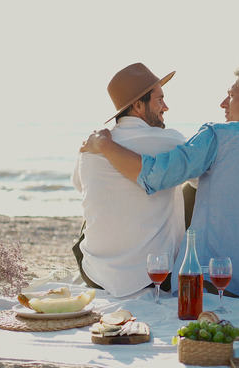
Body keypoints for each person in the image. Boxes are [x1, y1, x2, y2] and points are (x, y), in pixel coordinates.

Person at [81, 63, 239, 300]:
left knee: (189, 189)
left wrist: (104, 144)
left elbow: (155, 175)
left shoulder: (217, 135)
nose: (223, 104)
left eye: (230, 96)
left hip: (213, 281)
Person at [72, 63, 188, 297]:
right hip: (152, 276)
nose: (166, 107)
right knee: (194, 188)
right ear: (137, 105)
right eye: (159, 100)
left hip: (93, 273)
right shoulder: (170, 141)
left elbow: (79, 185)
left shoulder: (89, 146)